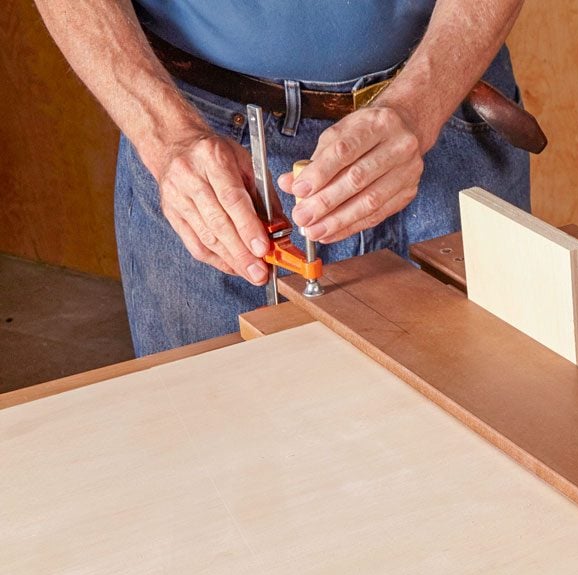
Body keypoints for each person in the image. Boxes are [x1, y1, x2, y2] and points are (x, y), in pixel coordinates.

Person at [34, 0, 534, 356]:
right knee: (213, 453)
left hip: (442, 106)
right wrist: (168, 136)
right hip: (197, 143)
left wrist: (421, 105)